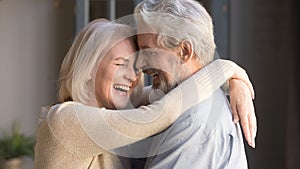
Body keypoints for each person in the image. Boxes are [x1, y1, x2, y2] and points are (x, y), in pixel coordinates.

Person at [34, 18, 254, 169]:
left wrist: (234, 83)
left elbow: (177, 87)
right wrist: (226, 68)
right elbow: (162, 111)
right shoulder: (65, 121)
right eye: (120, 64)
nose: (132, 77)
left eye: (136, 68)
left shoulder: (114, 109)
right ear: (89, 69)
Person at [130, 0, 256, 168]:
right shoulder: (181, 100)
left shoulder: (193, 121)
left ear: (184, 52)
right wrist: (231, 75)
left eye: (148, 51)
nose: (139, 64)